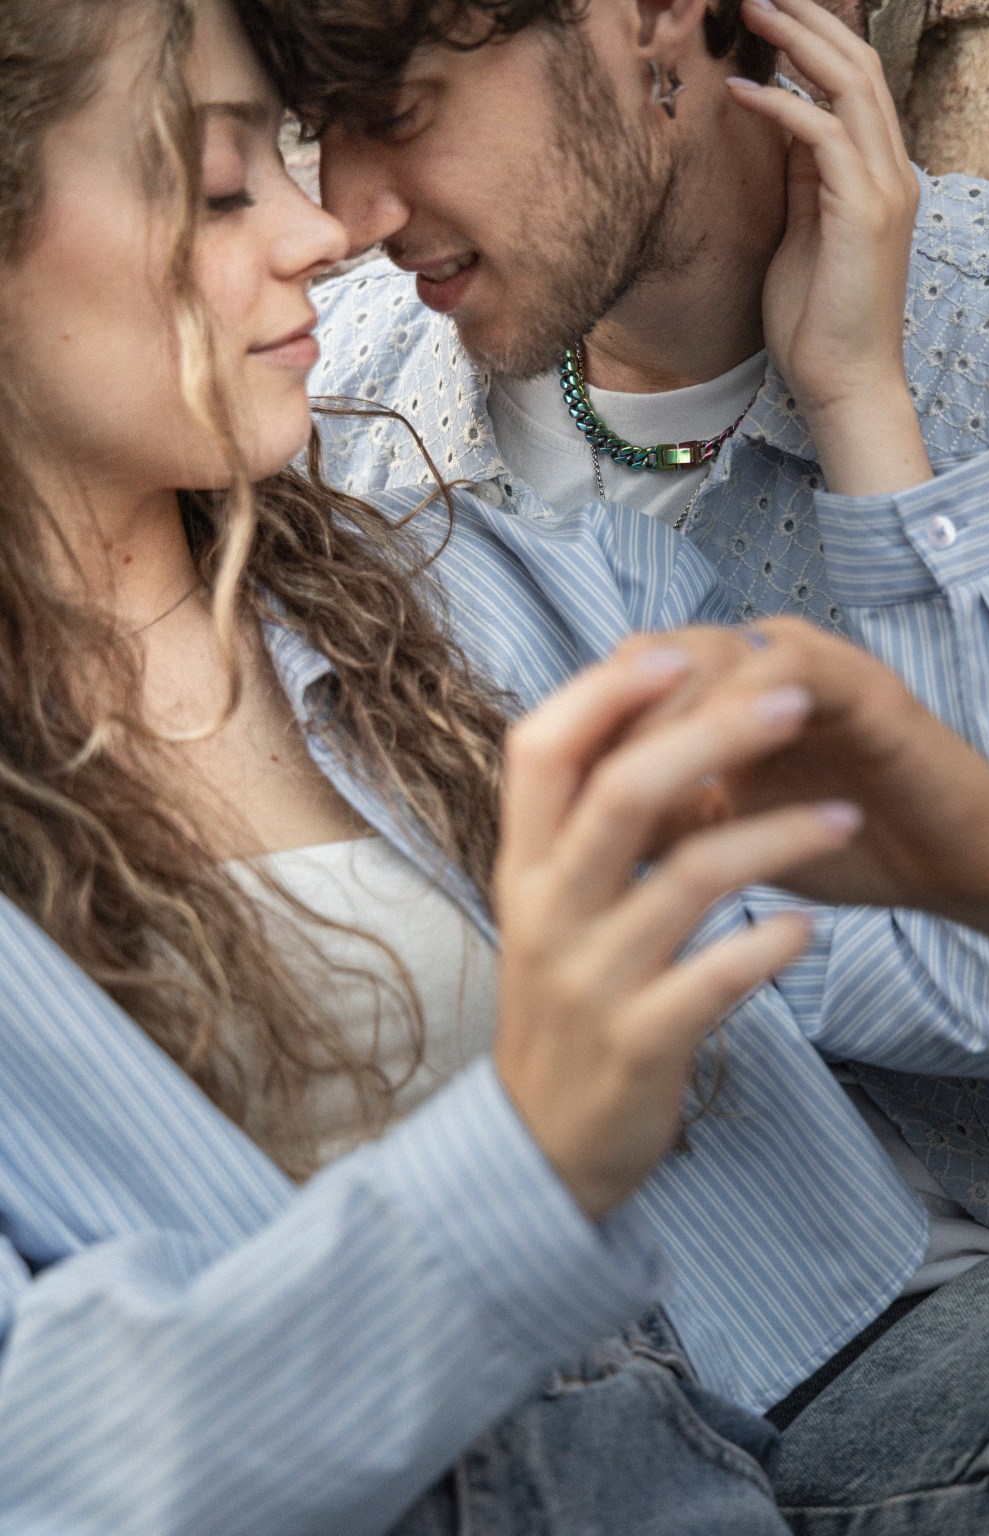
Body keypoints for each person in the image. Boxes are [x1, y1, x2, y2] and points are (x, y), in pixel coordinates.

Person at [0, 0, 874, 1531]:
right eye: (219, 185)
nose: (320, 231)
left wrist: (864, 406)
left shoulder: (496, 592)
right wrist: (520, 1168)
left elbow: (956, 976)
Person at [239, 0, 989, 1527]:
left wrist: (867, 417)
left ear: (656, 21)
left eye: (397, 110)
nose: (346, 208)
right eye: (312, 129)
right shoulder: (336, 422)